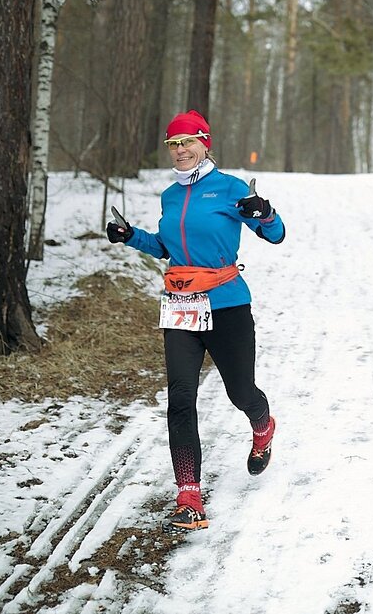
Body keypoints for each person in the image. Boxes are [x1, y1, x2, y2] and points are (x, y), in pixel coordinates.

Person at [105, 109, 286, 533]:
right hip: (181, 306)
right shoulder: (170, 195)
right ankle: (189, 495)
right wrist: (130, 236)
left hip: (227, 306)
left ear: (205, 142)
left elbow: (275, 235)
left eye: (188, 142)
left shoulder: (229, 188)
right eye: (173, 144)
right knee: (180, 400)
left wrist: (264, 212)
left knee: (240, 391)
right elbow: (169, 248)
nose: (181, 150)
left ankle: (263, 424)